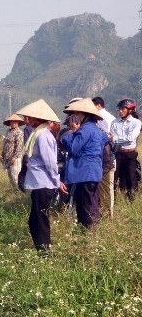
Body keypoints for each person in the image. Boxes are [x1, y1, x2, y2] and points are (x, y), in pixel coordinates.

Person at [16, 99, 60, 252]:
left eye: (30, 117)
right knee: (34, 220)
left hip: (44, 182)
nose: (27, 120)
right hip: (38, 182)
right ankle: (41, 248)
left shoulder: (43, 136)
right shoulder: (37, 133)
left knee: (40, 219)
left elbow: (50, 163)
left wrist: (56, 181)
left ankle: (44, 251)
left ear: (38, 119)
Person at [61, 98, 108, 228]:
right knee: (91, 202)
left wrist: (73, 132)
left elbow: (73, 148)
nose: (75, 116)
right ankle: (90, 230)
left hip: (84, 172)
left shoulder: (85, 129)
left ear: (86, 115)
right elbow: (105, 139)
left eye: (78, 113)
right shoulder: (96, 128)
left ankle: (88, 231)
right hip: (93, 171)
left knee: (85, 206)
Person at [109, 98, 142, 201]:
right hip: (117, 153)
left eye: (123, 109)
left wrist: (115, 138)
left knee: (131, 178)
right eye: (119, 109)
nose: (120, 111)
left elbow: (131, 138)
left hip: (130, 153)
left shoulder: (136, 122)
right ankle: (112, 200)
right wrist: (115, 139)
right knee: (113, 178)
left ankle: (131, 200)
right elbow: (112, 139)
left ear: (130, 110)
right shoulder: (114, 122)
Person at [2, 114, 25, 189]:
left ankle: (18, 190)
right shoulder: (9, 131)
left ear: (18, 123)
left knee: (15, 175)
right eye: (11, 122)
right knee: (10, 175)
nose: (13, 123)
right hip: (7, 157)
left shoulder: (19, 132)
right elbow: (5, 144)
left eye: (15, 122)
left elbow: (19, 146)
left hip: (14, 158)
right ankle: (13, 190)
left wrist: (14, 157)